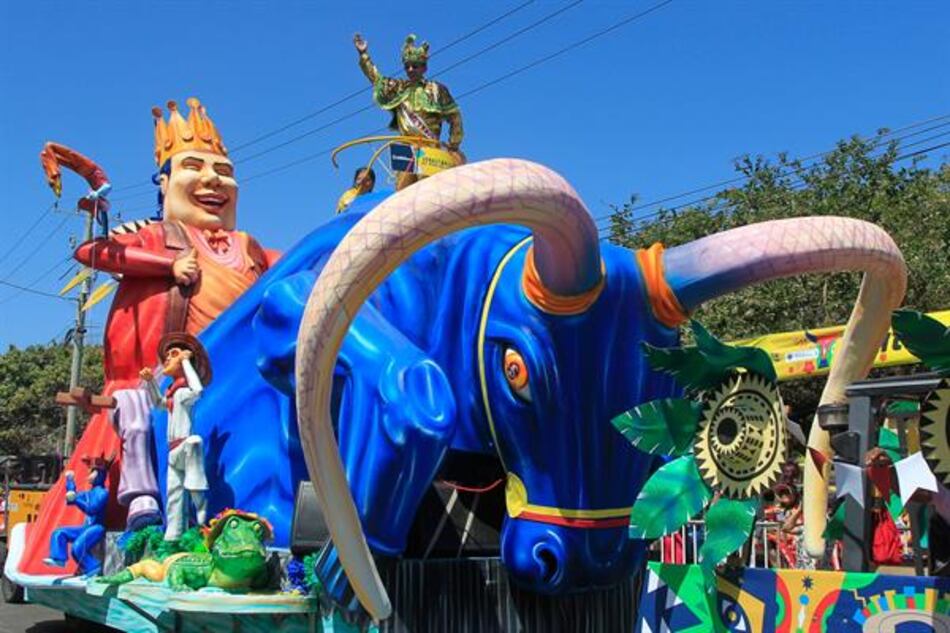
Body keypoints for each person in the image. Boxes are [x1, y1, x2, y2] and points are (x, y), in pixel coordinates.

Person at [19, 99, 279, 575]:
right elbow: (91, 250)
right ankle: (140, 509)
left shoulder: (251, 248)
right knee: (146, 431)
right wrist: (168, 265)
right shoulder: (156, 234)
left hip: (245, 384)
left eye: (224, 170)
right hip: (162, 386)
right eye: (194, 167)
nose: (213, 180)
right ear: (164, 184)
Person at [354, 33, 464, 190]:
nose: (410, 69)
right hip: (405, 148)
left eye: (415, 65)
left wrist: (454, 144)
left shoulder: (437, 89)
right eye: (407, 66)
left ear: (424, 67)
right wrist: (364, 54)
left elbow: (455, 116)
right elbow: (376, 79)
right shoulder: (398, 88)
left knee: (429, 191)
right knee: (403, 194)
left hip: (430, 148)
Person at [140, 333, 212, 541]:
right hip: (173, 451)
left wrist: (186, 362)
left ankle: (201, 508)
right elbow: (158, 403)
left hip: (185, 445)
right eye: (166, 357)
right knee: (174, 494)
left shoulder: (183, 392)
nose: (167, 360)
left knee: (194, 445)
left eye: (172, 355)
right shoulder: (173, 394)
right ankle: (173, 535)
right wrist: (150, 382)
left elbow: (198, 390)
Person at [44, 454, 114, 576]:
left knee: (77, 548)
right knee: (59, 533)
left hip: (97, 527)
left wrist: (76, 499)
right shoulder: (88, 493)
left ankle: (93, 567)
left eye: (94, 472)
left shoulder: (103, 493)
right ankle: (59, 559)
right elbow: (72, 496)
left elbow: (92, 509)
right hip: (86, 527)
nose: (90, 475)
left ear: (101, 475)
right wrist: (70, 481)